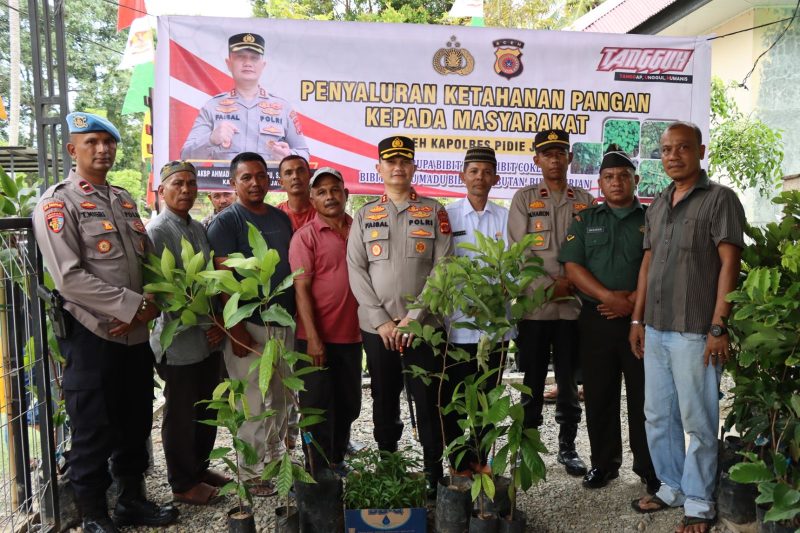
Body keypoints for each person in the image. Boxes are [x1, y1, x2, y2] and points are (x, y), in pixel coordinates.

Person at [32, 112, 178, 532]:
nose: (102, 150)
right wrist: (131, 307)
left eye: (108, 142)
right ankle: (94, 516)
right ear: (72, 149)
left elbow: (150, 262)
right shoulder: (58, 204)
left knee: (135, 420)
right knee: (93, 428)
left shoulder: (123, 199)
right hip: (93, 334)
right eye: (92, 142)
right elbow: (69, 278)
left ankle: (132, 500)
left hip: (134, 334)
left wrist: (150, 304)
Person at [629, 122, 745, 533]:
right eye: (666, 149)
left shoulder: (720, 199)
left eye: (682, 148)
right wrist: (637, 319)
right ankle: (672, 486)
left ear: (700, 151)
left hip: (696, 331)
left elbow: (730, 263)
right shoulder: (658, 204)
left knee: (698, 420)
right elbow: (647, 264)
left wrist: (718, 327)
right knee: (657, 415)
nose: (673, 155)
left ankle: (698, 501)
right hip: (656, 328)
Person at [347, 136, 453, 494]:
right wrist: (382, 320)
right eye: (390, 162)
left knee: (429, 400)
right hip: (378, 330)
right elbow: (356, 269)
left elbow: (443, 267)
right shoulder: (365, 215)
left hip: (424, 328)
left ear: (413, 167)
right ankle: (388, 465)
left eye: (404, 161)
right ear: (379, 168)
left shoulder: (434, 211)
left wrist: (413, 318)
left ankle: (433, 472)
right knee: (384, 397)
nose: (397, 168)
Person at [558, 145, 659, 493]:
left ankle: (649, 467)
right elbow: (572, 266)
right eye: (609, 177)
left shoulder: (653, 218)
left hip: (641, 320)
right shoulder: (586, 219)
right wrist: (609, 298)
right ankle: (603, 464)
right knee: (600, 395)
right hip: (597, 320)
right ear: (600, 183)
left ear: (636, 180)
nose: (616, 182)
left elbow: (660, 265)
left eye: (623, 176)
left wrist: (631, 303)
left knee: (645, 397)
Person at [207, 151, 296, 496]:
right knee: (253, 399)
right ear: (233, 183)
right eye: (246, 177)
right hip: (249, 324)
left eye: (261, 176)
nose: (255, 183)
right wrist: (236, 330)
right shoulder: (226, 223)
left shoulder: (280, 218)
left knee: (282, 396)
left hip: (282, 321)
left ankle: (275, 460)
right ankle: (252, 471)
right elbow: (223, 281)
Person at [507, 129, 593, 477]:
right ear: (537, 160)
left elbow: (591, 250)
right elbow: (519, 251)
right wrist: (548, 287)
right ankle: (527, 446)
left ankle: (567, 447)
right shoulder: (524, 199)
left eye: (560, 153)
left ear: (569, 158)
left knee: (569, 381)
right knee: (532, 379)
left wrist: (571, 284)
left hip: (573, 306)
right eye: (547, 154)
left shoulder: (585, 200)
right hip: (535, 307)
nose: (554, 160)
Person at [147, 161, 229, 505]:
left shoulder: (196, 227)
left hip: (207, 338)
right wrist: (205, 321)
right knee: (181, 414)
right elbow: (160, 291)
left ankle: (199, 468)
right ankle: (182, 483)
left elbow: (209, 281)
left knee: (207, 407)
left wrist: (217, 322)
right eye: (177, 183)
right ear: (162, 190)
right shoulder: (157, 231)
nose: (185, 189)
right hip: (178, 339)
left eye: (191, 183)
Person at [289, 167, 362, 475]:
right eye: (321, 192)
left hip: (353, 336)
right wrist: (313, 338)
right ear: (312, 199)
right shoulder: (305, 237)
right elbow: (301, 291)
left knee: (349, 404)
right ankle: (316, 470)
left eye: (335, 190)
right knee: (316, 408)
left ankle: (336, 460)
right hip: (315, 340)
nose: (329, 196)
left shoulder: (361, 229)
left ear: (346, 194)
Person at [441, 146, 509, 474]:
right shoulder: (447, 215)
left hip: (495, 325)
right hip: (458, 323)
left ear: (495, 178)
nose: (480, 177)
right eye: (473, 171)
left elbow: (513, 265)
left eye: (486, 172)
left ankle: (481, 459)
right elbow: (440, 265)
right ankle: (458, 463)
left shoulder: (505, 217)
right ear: (462, 176)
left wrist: (504, 289)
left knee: (488, 396)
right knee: (455, 397)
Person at [180, 33, 309, 162]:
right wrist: (211, 139)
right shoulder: (212, 107)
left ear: (263, 65)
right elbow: (186, 156)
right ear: (229, 63)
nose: (248, 63)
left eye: (254, 58)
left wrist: (289, 156)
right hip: (228, 176)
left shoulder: (283, 108)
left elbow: (304, 153)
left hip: (266, 176)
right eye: (240, 57)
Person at [276, 155, 317, 230]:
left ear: (310, 177)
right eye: (288, 173)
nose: (295, 176)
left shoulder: (322, 211)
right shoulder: (275, 214)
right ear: (281, 182)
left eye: (301, 171)